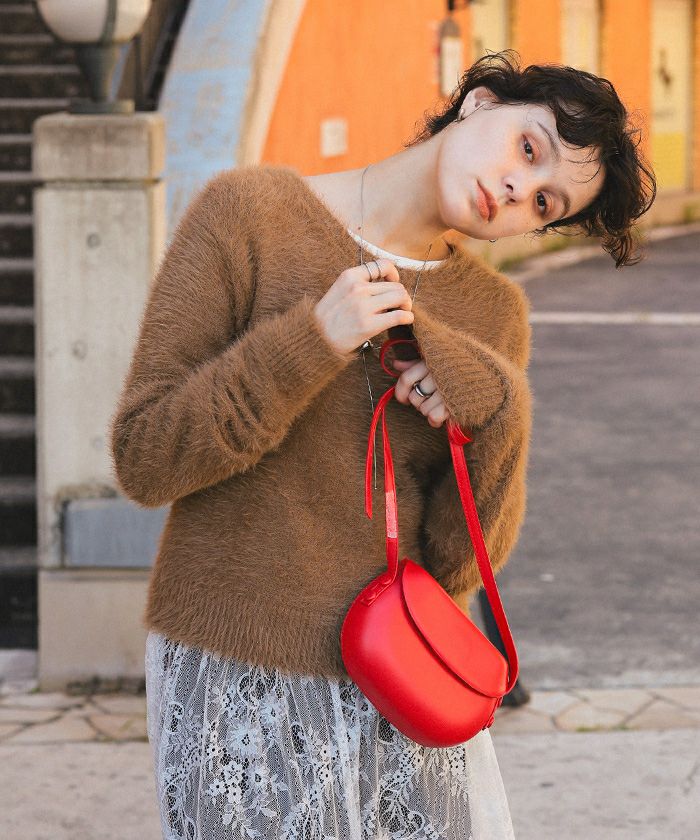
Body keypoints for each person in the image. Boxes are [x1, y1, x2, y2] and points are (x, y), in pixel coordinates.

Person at [111, 50, 655, 839]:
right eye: (527, 148)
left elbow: (458, 567)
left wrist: (498, 419)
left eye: (545, 203)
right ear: (478, 103)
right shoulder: (249, 214)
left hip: (406, 685)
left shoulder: (494, 316)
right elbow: (145, 458)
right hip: (238, 667)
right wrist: (309, 343)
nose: (517, 190)